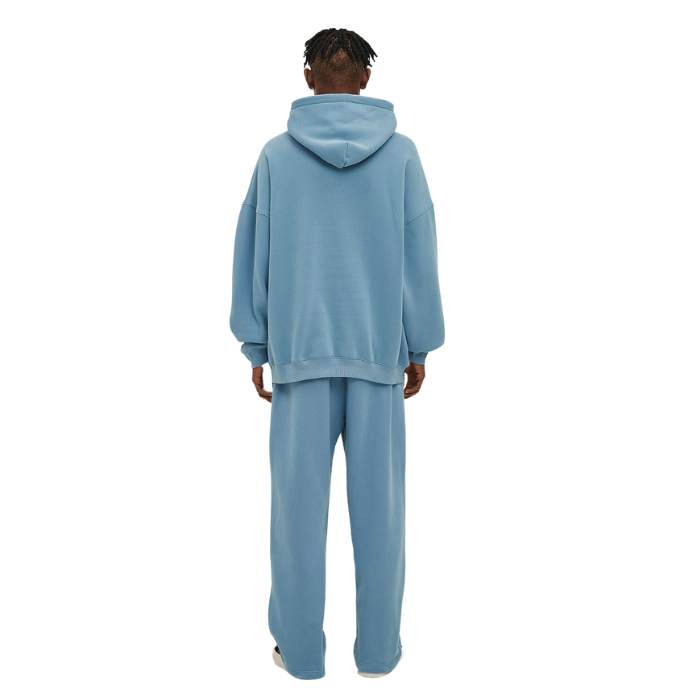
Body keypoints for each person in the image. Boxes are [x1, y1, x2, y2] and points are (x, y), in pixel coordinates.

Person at [230, 27, 445, 680]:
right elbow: (419, 253)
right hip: (378, 358)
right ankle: (377, 656)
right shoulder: (402, 155)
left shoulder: (276, 156)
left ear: (308, 78)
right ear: (366, 79)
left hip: (299, 359)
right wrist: (419, 343)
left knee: (296, 516)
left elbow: (253, 254)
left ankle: (299, 655)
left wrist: (257, 344)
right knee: (381, 516)